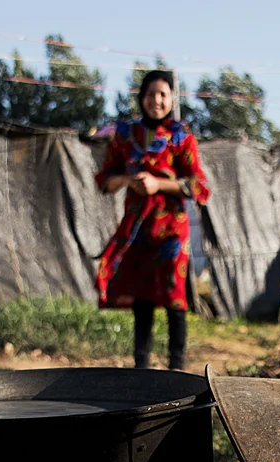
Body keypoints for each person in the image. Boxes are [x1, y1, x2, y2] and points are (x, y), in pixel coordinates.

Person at [94, 69, 209, 370]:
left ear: (171, 98)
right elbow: (104, 180)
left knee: (175, 298)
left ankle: (177, 370)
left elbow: (197, 186)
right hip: (137, 230)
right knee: (142, 299)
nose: (156, 100)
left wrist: (159, 184)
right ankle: (141, 371)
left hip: (172, 230)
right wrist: (128, 180)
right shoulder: (125, 136)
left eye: (162, 94)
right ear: (141, 98)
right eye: (150, 94)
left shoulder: (182, 137)